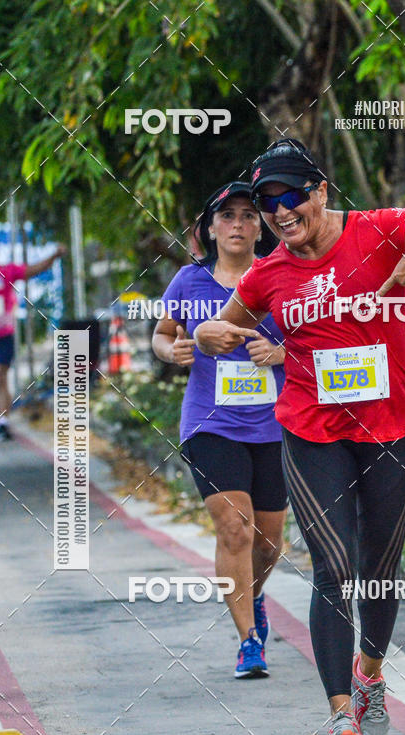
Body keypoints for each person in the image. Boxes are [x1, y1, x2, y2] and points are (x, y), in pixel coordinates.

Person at [195, 140, 405, 735]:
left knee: (379, 564)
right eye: (268, 203)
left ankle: (369, 676)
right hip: (312, 430)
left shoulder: (377, 229)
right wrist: (206, 333)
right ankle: (339, 717)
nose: (280, 212)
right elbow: (226, 327)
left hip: (392, 426)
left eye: (291, 196)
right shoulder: (268, 273)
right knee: (333, 566)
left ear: (321, 190)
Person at [152, 182, 287, 679]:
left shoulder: (280, 274)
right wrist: (173, 351)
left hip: (275, 425)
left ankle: (253, 594)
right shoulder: (190, 280)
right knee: (234, 527)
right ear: (209, 228)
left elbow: (315, 341)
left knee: (268, 543)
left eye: (249, 215)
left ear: (261, 227)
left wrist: (279, 354)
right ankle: (249, 641)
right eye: (227, 215)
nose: (238, 224)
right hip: (210, 423)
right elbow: (162, 335)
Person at [0, 233, 65, 440]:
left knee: (0, 374)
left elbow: (34, 269)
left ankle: (3, 422)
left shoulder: (6, 272)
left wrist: (54, 256)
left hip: (2, 335)